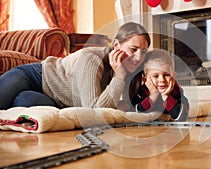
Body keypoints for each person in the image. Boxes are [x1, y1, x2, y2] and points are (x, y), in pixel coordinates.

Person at [0, 22, 151, 110]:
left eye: (143, 51)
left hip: (54, 98)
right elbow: (94, 111)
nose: (138, 57)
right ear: (116, 45)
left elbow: (126, 107)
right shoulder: (92, 58)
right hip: (35, 76)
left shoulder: (131, 70)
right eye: (133, 49)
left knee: (23, 102)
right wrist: (119, 76)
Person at [131, 49, 189, 121]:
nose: (162, 80)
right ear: (145, 80)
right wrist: (153, 96)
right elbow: (136, 113)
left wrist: (166, 96)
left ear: (173, 76)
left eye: (167, 75)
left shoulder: (176, 90)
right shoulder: (142, 91)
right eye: (155, 76)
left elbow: (182, 116)